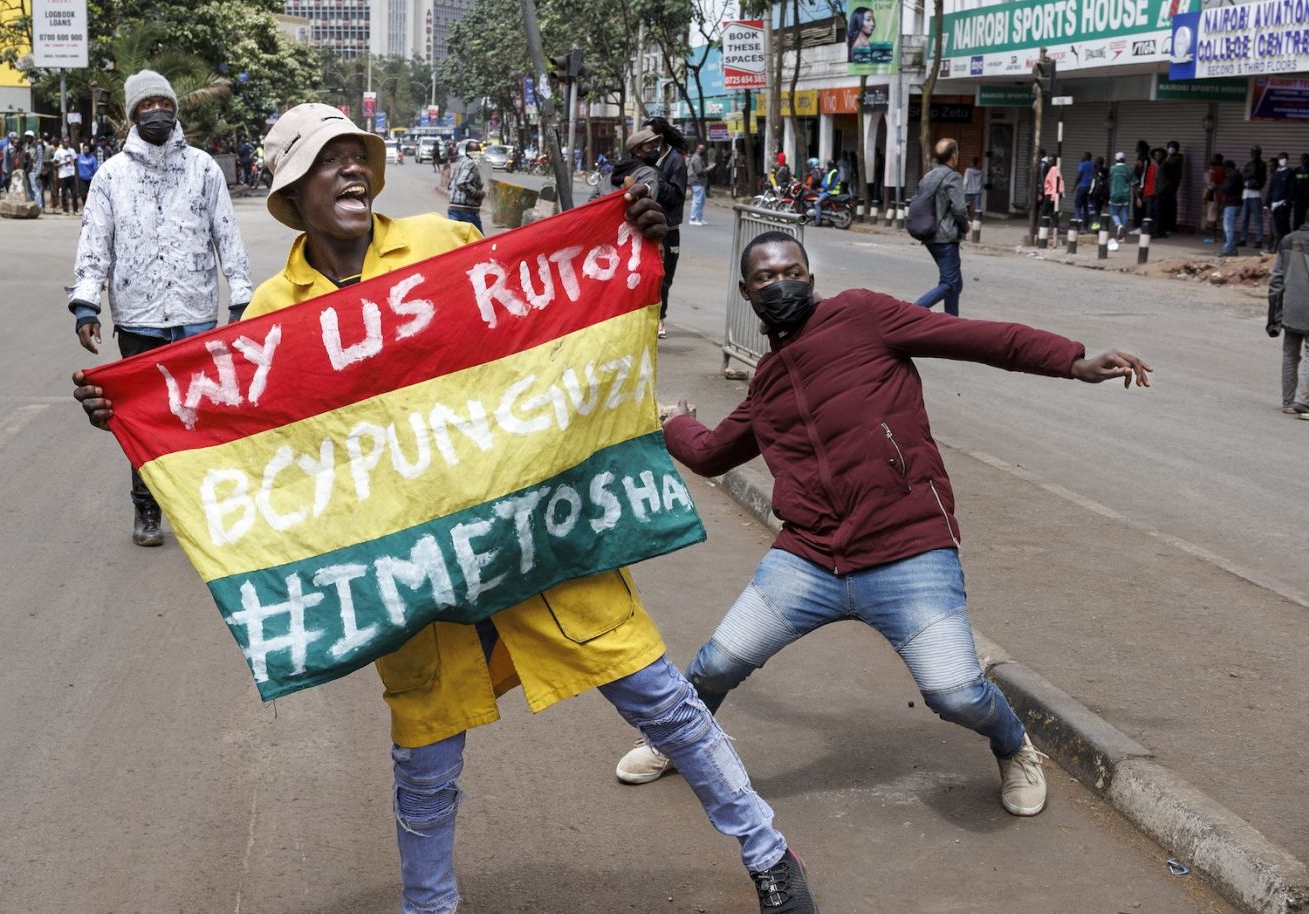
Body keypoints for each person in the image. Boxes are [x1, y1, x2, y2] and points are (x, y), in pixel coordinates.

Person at [70, 102, 823, 914]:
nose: (352, 168)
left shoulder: (438, 243)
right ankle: (429, 906)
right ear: (293, 193)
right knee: (426, 757)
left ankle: (769, 852)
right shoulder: (271, 315)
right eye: (329, 160)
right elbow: (236, 433)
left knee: (658, 698)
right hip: (410, 573)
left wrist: (629, 228)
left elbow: (546, 297)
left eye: (357, 154)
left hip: (529, 532)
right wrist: (137, 408)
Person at [614, 228, 1152, 819]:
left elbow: (975, 338)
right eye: (766, 278)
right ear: (747, 292)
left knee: (956, 695)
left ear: (811, 279)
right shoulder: (766, 384)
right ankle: (674, 741)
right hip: (811, 559)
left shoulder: (864, 316)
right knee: (717, 663)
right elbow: (715, 452)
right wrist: (674, 424)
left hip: (908, 550)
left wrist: (1071, 361)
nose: (780, 284)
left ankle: (1014, 746)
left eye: (791, 271)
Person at [68, 70, 252, 547]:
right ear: (133, 114)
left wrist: (241, 297)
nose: (155, 112)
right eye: (144, 105)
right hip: (138, 318)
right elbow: (94, 245)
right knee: (144, 420)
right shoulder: (111, 176)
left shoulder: (204, 169)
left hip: (194, 314)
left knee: (200, 418)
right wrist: (87, 305)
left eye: (161, 103)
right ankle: (146, 512)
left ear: (174, 108)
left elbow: (226, 237)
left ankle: (202, 514)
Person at [1266, 202, 1309, 419]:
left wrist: (1274, 316)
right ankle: (1302, 402)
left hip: (1290, 310)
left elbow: (1276, 280)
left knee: (1289, 355)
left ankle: (1287, 402)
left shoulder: (1286, 240)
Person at [639, 118, 688, 337]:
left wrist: (655, 176)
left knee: (663, 278)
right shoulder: (641, 160)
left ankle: (660, 319)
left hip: (667, 228)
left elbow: (678, 195)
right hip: (642, 227)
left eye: (651, 140)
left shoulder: (675, 162)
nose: (647, 144)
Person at [912, 138, 970, 315]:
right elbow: (959, 208)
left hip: (929, 234)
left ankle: (951, 322)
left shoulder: (928, 176)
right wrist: (965, 225)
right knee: (949, 283)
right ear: (953, 156)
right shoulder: (953, 176)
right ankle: (912, 311)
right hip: (944, 237)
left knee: (955, 283)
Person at [445, 140, 485, 232]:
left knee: (458, 240)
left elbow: (452, 183)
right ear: (468, 152)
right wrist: (477, 193)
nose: (478, 154)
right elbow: (461, 182)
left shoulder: (460, 162)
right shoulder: (471, 163)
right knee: (478, 241)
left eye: (479, 151)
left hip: (454, 208)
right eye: (475, 151)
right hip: (466, 210)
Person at [1158, 140, 1185, 236]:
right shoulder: (1170, 158)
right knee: (1169, 207)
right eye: (1170, 146)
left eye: (1173, 146)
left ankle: (1169, 226)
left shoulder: (1176, 158)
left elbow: (1169, 170)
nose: (1171, 148)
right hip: (1167, 186)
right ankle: (1169, 225)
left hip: (1169, 186)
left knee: (1168, 207)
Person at [1243, 153, 1268, 252]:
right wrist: (1250, 175)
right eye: (1253, 152)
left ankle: (1258, 240)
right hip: (1246, 194)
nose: (1254, 155)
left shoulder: (1262, 164)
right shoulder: (1248, 164)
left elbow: (1259, 176)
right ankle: (1242, 238)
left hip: (1255, 194)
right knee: (1245, 218)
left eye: (1256, 152)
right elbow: (1244, 175)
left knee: (1258, 218)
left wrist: (1252, 174)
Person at [1220, 160, 1245, 256]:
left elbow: (1228, 189)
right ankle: (1233, 249)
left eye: (1224, 168)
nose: (1223, 170)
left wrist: (1217, 187)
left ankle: (1228, 250)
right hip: (1234, 204)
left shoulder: (1233, 176)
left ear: (1228, 167)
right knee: (1229, 227)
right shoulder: (1236, 175)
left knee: (1228, 228)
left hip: (1232, 204)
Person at [687, 142, 714, 226]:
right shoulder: (696, 158)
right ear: (697, 149)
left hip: (700, 182)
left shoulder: (698, 158)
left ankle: (699, 218)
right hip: (697, 182)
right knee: (697, 201)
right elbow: (699, 171)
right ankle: (693, 218)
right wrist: (708, 169)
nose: (703, 151)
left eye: (703, 149)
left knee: (701, 201)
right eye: (701, 149)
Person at [1202, 153, 1227, 243]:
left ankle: (1214, 237)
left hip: (1215, 196)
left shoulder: (1214, 170)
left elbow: (1212, 185)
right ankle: (1225, 237)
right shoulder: (1225, 169)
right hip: (1225, 195)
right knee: (1224, 218)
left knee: (1213, 218)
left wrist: (1206, 196)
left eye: (1213, 158)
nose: (1211, 160)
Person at [55, 138, 78, 214]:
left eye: (68, 142)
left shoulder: (72, 151)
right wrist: (63, 164)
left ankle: (75, 209)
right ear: (62, 142)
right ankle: (65, 210)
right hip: (63, 175)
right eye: (65, 142)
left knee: (74, 193)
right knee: (64, 193)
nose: (66, 143)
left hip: (71, 174)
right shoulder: (59, 152)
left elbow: (75, 161)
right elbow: (55, 164)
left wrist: (75, 172)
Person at [1072, 151, 1094, 225]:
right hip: (1090, 188)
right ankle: (1085, 224)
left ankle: (1078, 219)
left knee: (1077, 204)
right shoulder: (1093, 164)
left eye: (1083, 156)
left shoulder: (1082, 164)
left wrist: (1074, 186)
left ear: (1086, 157)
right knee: (1086, 206)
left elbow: (1079, 175)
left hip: (1082, 187)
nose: (1081, 157)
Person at [76, 142, 98, 209]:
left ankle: (91, 207)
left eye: (87, 149)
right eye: (84, 149)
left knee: (91, 195)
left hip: (90, 179)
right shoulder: (79, 157)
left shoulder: (93, 158)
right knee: (83, 194)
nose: (85, 150)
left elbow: (95, 169)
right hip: (82, 179)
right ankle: (85, 206)